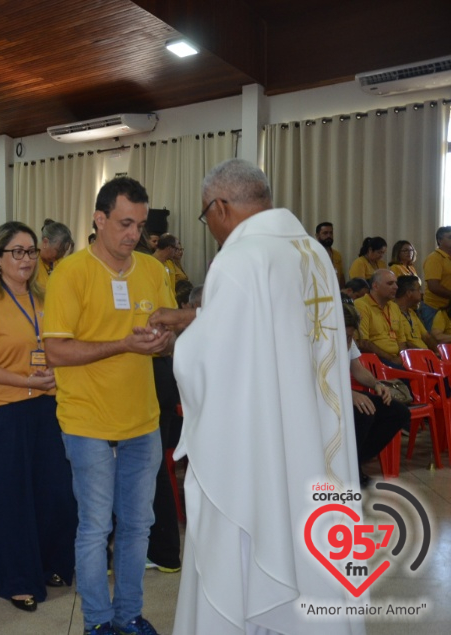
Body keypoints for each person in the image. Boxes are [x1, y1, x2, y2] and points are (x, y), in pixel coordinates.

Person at [148, 158, 363, 635]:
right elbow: (272, 337)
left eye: (208, 217)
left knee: (254, 535)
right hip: (313, 430)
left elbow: (217, 358)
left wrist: (178, 345)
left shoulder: (239, 259)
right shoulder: (312, 253)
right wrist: (195, 320)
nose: (212, 230)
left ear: (220, 206)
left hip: (261, 444)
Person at [43, 176, 175, 635]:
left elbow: (168, 337)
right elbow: (57, 350)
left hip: (142, 418)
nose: (133, 234)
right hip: (87, 419)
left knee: (138, 525)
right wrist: (122, 344)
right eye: (124, 223)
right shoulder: (70, 273)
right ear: (99, 219)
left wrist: (161, 341)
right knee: (95, 527)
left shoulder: (153, 271)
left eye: (139, 225)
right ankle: (98, 622)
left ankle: (129, 615)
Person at [0, 221, 76, 612]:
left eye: (30, 251)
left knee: (53, 492)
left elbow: (63, 347)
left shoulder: (47, 298)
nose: (26, 259)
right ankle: (15, 579)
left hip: (48, 406)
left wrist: (51, 378)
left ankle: (50, 563)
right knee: (9, 499)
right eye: (16, 252)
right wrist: (24, 381)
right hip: (3, 409)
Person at [342, 303, 409, 486]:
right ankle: (352, 473)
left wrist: (377, 384)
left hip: (345, 394)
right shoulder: (319, 343)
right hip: (327, 397)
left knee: (397, 412)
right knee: (364, 412)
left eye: (351, 337)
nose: (348, 342)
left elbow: (357, 369)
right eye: (346, 337)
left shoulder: (349, 341)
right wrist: (350, 395)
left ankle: (354, 461)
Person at [354, 269, 406, 368]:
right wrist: (391, 359)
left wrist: (401, 358)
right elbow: (363, 343)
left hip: (396, 359)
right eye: (390, 283)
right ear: (375, 286)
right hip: (376, 360)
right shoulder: (361, 305)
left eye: (396, 283)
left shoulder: (394, 307)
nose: (396, 287)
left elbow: (401, 340)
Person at [395, 275, 438, 353]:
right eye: (418, 289)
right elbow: (405, 343)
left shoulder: (411, 313)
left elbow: (427, 337)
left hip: (426, 356)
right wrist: (426, 354)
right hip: (414, 357)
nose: (421, 293)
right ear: (409, 293)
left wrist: (439, 353)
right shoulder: (393, 312)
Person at [420, 226, 451, 332]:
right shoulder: (434, 258)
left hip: (447, 308)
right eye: (450, 237)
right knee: (436, 342)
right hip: (434, 308)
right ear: (439, 240)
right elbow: (434, 286)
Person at [35, 219, 74, 292]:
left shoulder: (61, 261)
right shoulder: (31, 261)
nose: (59, 256)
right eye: (58, 250)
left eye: (63, 252)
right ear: (45, 242)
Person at [315, 222, 346, 287]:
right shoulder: (313, 254)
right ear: (317, 236)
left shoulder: (337, 255)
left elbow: (341, 278)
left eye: (331, 233)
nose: (329, 236)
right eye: (325, 233)